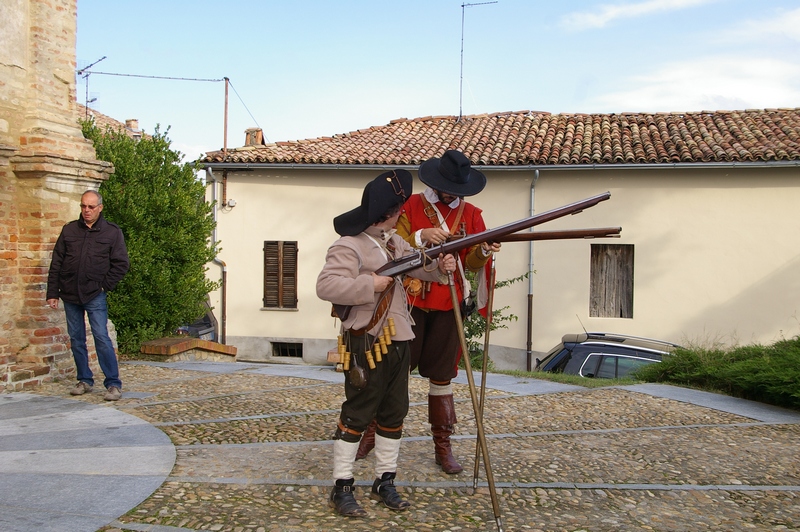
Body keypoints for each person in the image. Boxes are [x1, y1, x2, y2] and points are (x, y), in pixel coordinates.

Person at [317, 169, 456, 518]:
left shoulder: (395, 243)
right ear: (390, 211)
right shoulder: (348, 245)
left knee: (394, 413)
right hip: (366, 340)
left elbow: (418, 268)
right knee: (358, 413)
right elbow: (326, 286)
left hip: (400, 339)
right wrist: (370, 285)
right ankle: (342, 486)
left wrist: (442, 265)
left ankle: (385, 480)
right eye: (399, 209)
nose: (402, 213)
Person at [356, 150, 501, 474]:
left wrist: (481, 250)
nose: (453, 194)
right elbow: (387, 245)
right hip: (409, 302)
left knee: (442, 376)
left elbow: (473, 262)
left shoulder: (472, 213)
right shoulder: (410, 206)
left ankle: (443, 445)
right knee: (392, 371)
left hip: (449, 304)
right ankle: (370, 434)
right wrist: (421, 236)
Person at [46, 190, 130, 401]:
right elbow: (57, 262)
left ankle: (113, 384)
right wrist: (52, 292)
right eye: (84, 206)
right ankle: (84, 379)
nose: (87, 211)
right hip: (70, 293)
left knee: (101, 337)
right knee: (76, 339)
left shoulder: (111, 232)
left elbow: (121, 264)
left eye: (91, 207)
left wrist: (104, 286)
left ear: (100, 208)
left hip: (95, 294)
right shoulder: (69, 231)